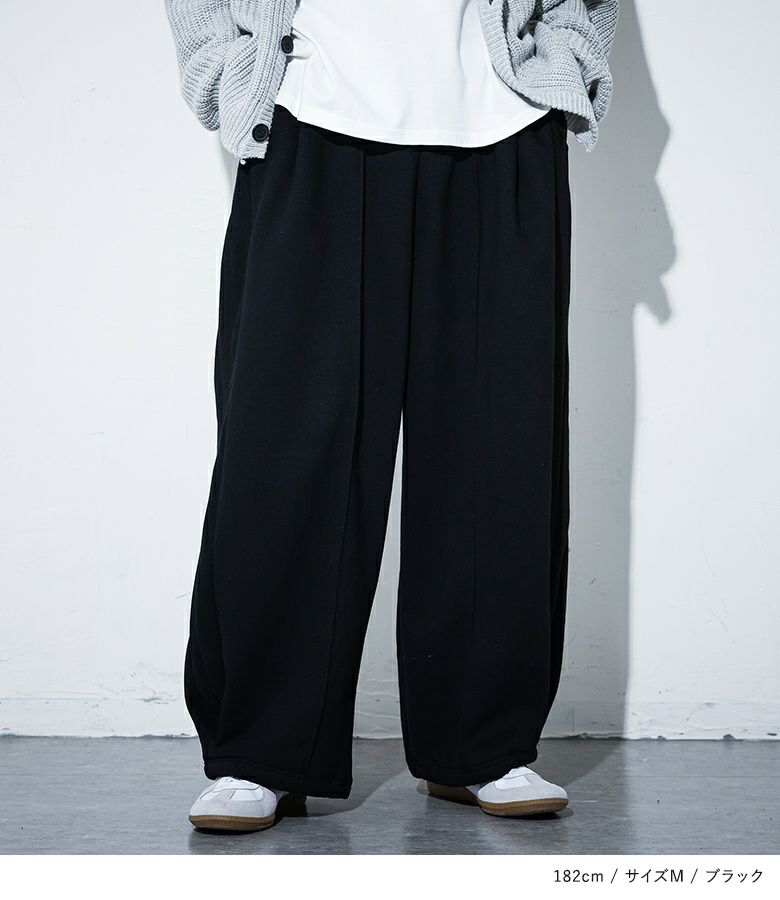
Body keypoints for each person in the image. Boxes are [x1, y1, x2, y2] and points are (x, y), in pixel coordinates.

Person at [165, 0, 618, 832]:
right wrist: (228, 71)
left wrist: (563, 65)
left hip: (501, 126)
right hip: (312, 121)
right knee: (285, 453)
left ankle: (481, 744)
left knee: (499, 451)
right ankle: (259, 750)